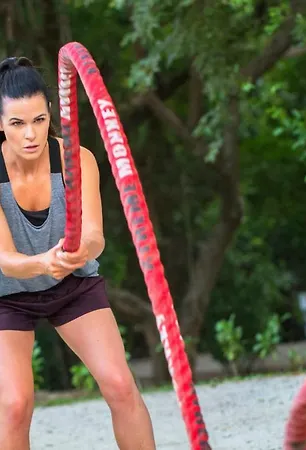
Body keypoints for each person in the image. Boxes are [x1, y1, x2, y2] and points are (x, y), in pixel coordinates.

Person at [0, 57, 156, 450]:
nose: (30, 134)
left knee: (120, 386)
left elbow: (95, 237)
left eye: (39, 119)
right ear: (1, 124)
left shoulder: (76, 159)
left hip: (72, 283)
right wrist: (43, 262)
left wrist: (79, 251)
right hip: (7, 296)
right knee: (14, 406)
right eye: (17, 123)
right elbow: (4, 258)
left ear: (51, 113)